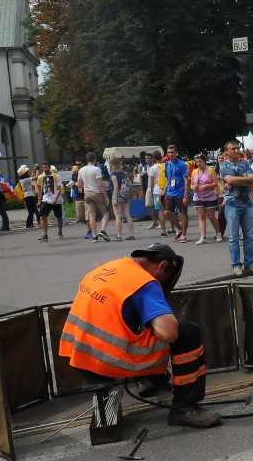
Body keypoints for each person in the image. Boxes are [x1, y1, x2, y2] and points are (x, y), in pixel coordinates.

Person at [59, 243, 221, 428]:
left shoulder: (110, 267)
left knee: (136, 324)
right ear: (162, 266)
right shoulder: (144, 282)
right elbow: (168, 333)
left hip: (79, 355)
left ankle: (151, 382)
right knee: (187, 332)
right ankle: (184, 408)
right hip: (109, 359)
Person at [220, 140, 253, 276]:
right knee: (233, 237)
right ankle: (236, 265)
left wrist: (236, 181)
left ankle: (250, 263)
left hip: (247, 203)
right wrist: (244, 180)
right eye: (233, 149)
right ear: (226, 152)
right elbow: (229, 180)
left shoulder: (244, 163)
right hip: (232, 205)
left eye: (237, 148)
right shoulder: (223, 165)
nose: (236, 151)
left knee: (249, 236)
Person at [78, 152, 111, 243]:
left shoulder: (81, 170)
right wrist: (106, 196)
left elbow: (79, 184)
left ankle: (94, 236)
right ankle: (103, 230)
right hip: (96, 192)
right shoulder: (97, 169)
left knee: (92, 215)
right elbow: (100, 184)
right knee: (105, 212)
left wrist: (87, 185)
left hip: (87, 193)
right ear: (95, 159)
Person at [190, 154, 221, 244]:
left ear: (204, 161)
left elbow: (215, 183)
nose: (198, 163)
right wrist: (193, 187)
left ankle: (218, 232)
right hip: (198, 197)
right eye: (197, 162)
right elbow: (191, 185)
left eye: (200, 161)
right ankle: (203, 237)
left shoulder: (211, 171)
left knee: (211, 216)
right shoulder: (194, 172)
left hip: (210, 196)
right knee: (201, 217)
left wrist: (207, 186)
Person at [162, 144, 190, 243]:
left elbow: (186, 180)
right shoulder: (167, 164)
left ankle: (184, 234)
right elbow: (168, 179)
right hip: (170, 192)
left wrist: (185, 195)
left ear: (176, 153)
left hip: (180, 192)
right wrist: (164, 191)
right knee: (167, 212)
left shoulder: (182, 164)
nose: (171, 154)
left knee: (183, 213)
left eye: (172, 152)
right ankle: (179, 229)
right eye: (169, 152)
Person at [36, 161, 64, 241]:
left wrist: (55, 198)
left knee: (59, 216)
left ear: (49, 167)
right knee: (43, 215)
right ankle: (45, 234)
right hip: (46, 199)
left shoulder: (56, 176)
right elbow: (40, 190)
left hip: (56, 200)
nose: (45, 169)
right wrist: (39, 201)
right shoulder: (40, 177)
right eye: (43, 167)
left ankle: (60, 232)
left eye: (46, 167)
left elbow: (59, 189)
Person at [110, 157, 135, 241]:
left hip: (118, 195)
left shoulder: (113, 174)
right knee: (127, 215)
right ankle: (131, 234)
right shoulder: (124, 173)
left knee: (118, 216)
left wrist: (115, 199)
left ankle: (119, 236)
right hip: (125, 195)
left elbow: (116, 186)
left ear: (113, 165)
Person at [142, 153, 158, 228]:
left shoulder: (156, 166)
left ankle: (162, 222)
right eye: (146, 158)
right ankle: (154, 222)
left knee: (160, 206)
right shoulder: (145, 167)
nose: (147, 160)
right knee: (148, 205)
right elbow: (141, 174)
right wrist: (142, 174)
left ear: (152, 158)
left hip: (157, 187)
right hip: (149, 188)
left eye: (149, 158)